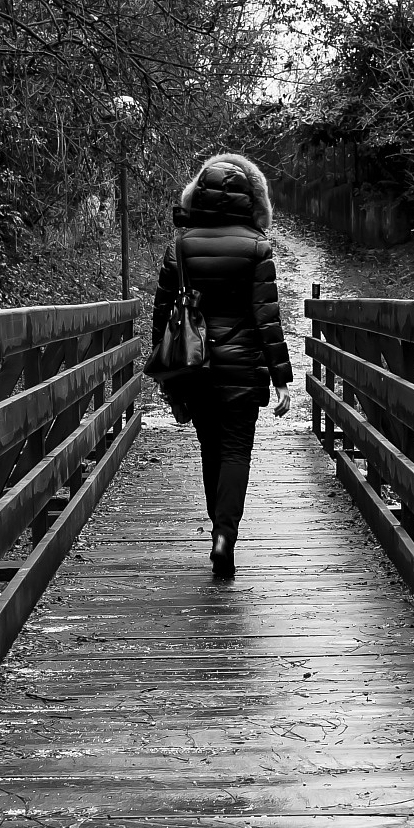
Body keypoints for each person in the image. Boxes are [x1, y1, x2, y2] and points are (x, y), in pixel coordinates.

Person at [150, 152, 292, 579]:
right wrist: (282, 378)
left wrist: (166, 374)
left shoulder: (181, 245)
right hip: (244, 369)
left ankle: (218, 527)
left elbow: (162, 315)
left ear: (198, 197)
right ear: (250, 200)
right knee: (235, 452)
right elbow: (267, 317)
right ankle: (225, 535)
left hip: (196, 368)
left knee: (210, 449)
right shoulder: (256, 247)